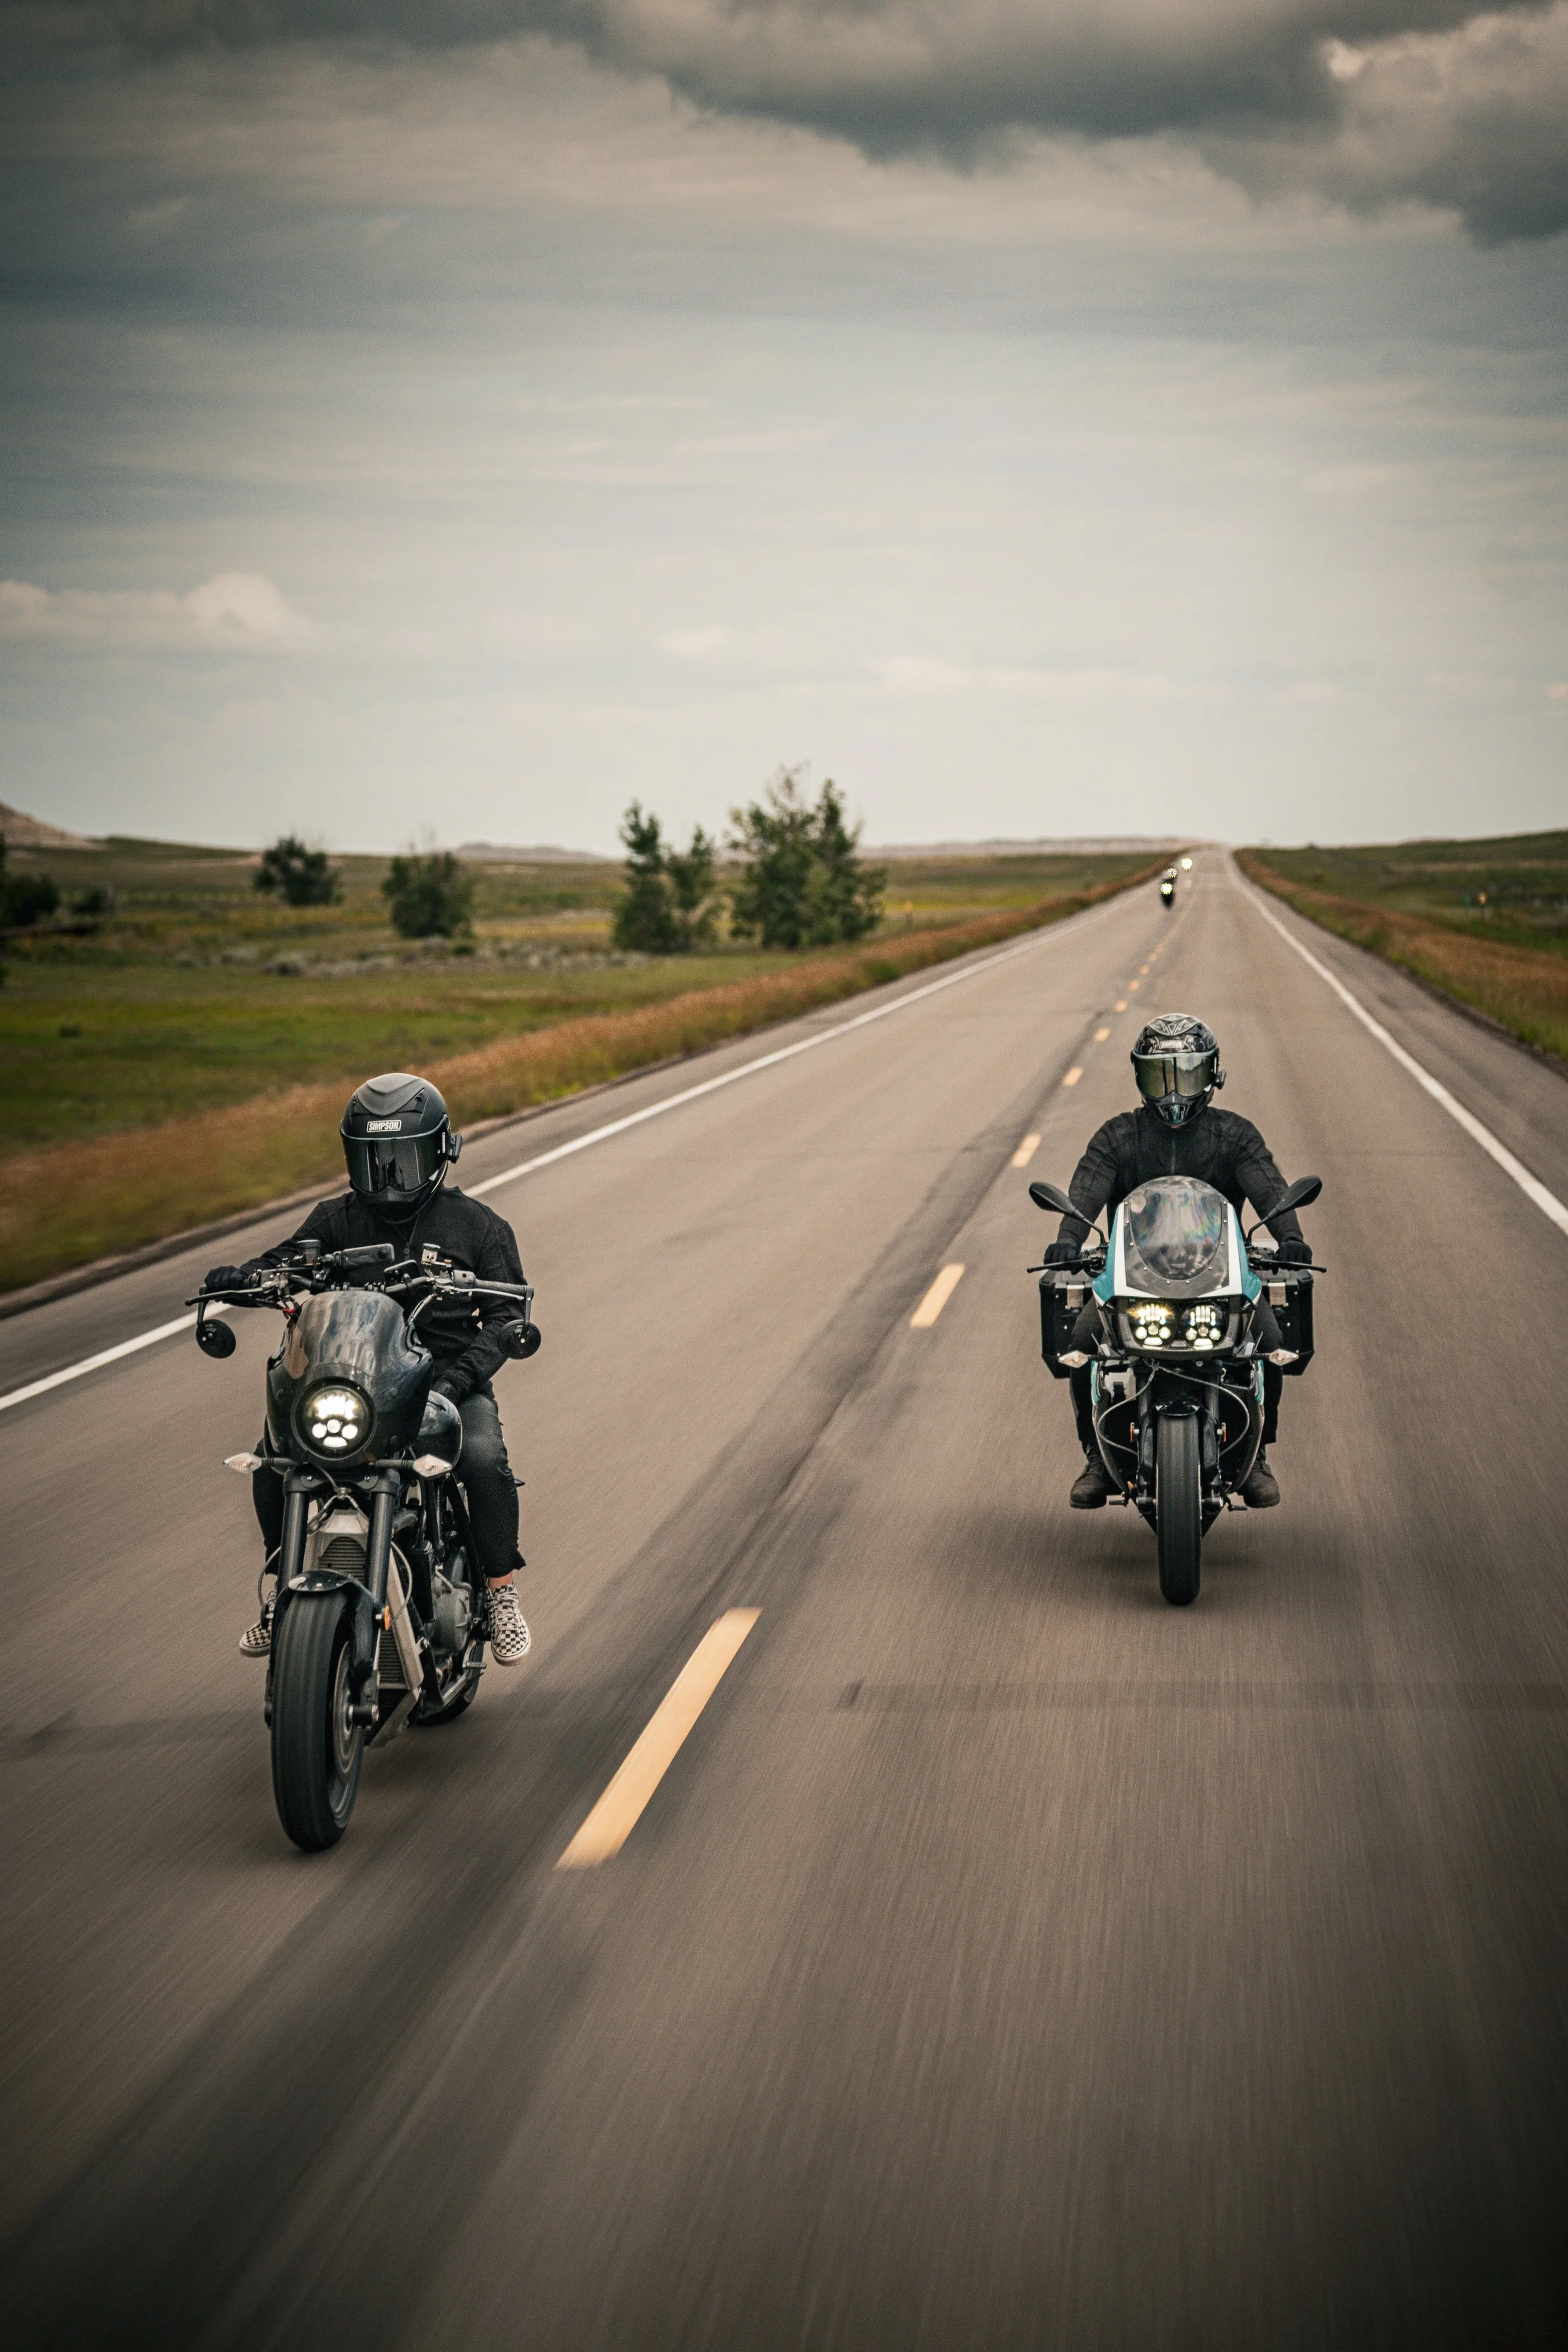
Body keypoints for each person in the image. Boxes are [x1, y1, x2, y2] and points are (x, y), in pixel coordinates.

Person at [203, 1071, 532, 1665]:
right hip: (355, 1387)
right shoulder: (336, 1220)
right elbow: (287, 1261)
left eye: (402, 1159)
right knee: (273, 1459)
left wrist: (459, 1383)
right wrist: (246, 1278)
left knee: (484, 1460)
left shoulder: (478, 1226)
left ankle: (500, 1592)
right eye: (375, 1159)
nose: (388, 1174)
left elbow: (507, 1314)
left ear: (439, 1152)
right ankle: (282, 1591)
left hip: (445, 1385)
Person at [1044, 1013, 1313, 1511]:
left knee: (1269, 1341)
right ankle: (1098, 1457)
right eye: (1159, 1075)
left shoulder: (1235, 1137)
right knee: (1083, 1341)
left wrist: (1290, 1237)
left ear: (1211, 1074)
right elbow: (1086, 1191)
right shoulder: (1117, 1138)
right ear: (1140, 1078)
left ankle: (1255, 1456)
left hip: (1221, 1273)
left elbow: (1269, 1186)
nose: (1173, 1091)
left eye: (1186, 1074)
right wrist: (1067, 1238)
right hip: (1131, 1275)